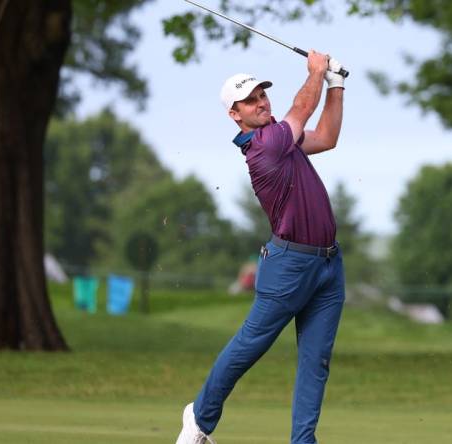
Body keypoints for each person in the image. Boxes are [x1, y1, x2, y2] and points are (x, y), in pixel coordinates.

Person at [175, 51, 346, 444]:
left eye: (262, 94)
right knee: (250, 347)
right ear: (235, 115)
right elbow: (302, 108)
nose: (261, 102)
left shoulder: (284, 140)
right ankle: (199, 419)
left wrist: (335, 85)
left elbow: (328, 138)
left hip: (328, 265)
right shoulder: (265, 145)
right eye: (250, 100)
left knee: (315, 361)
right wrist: (317, 72)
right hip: (288, 265)